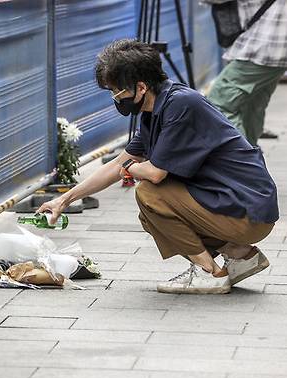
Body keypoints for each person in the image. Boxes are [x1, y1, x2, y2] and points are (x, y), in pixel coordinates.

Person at [39, 39, 279, 294]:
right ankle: (240, 254)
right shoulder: (155, 111)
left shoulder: (180, 105)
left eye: (117, 92)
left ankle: (210, 274)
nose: (114, 98)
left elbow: (153, 173)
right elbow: (118, 164)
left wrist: (131, 167)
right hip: (233, 204)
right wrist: (63, 201)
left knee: (150, 195)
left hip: (247, 211)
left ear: (141, 87)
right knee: (150, 215)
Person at [208, 0, 287, 146]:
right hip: (277, 48)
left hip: (263, 47)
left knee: (219, 104)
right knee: (251, 108)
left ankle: (241, 160)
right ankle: (252, 163)